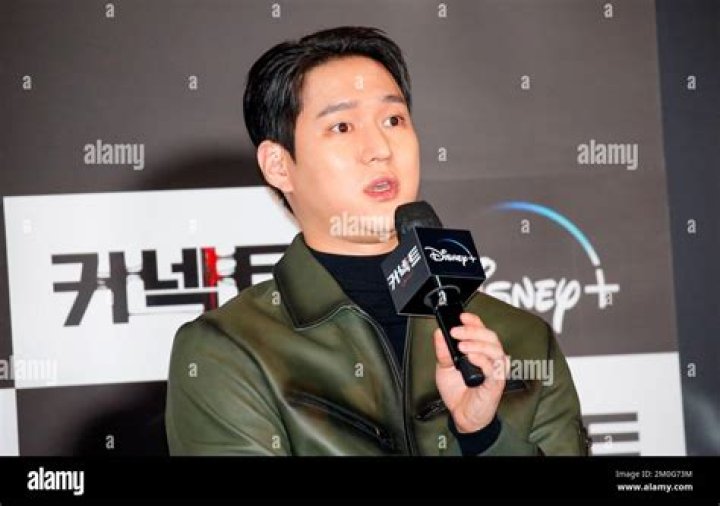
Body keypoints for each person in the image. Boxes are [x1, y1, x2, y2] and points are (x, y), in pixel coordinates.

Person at [165, 26, 590, 456]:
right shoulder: (231, 350)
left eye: (393, 120)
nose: (380, 149)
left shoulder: (520, 339)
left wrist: (483, 436)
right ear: (278, 165)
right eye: (342, 126)